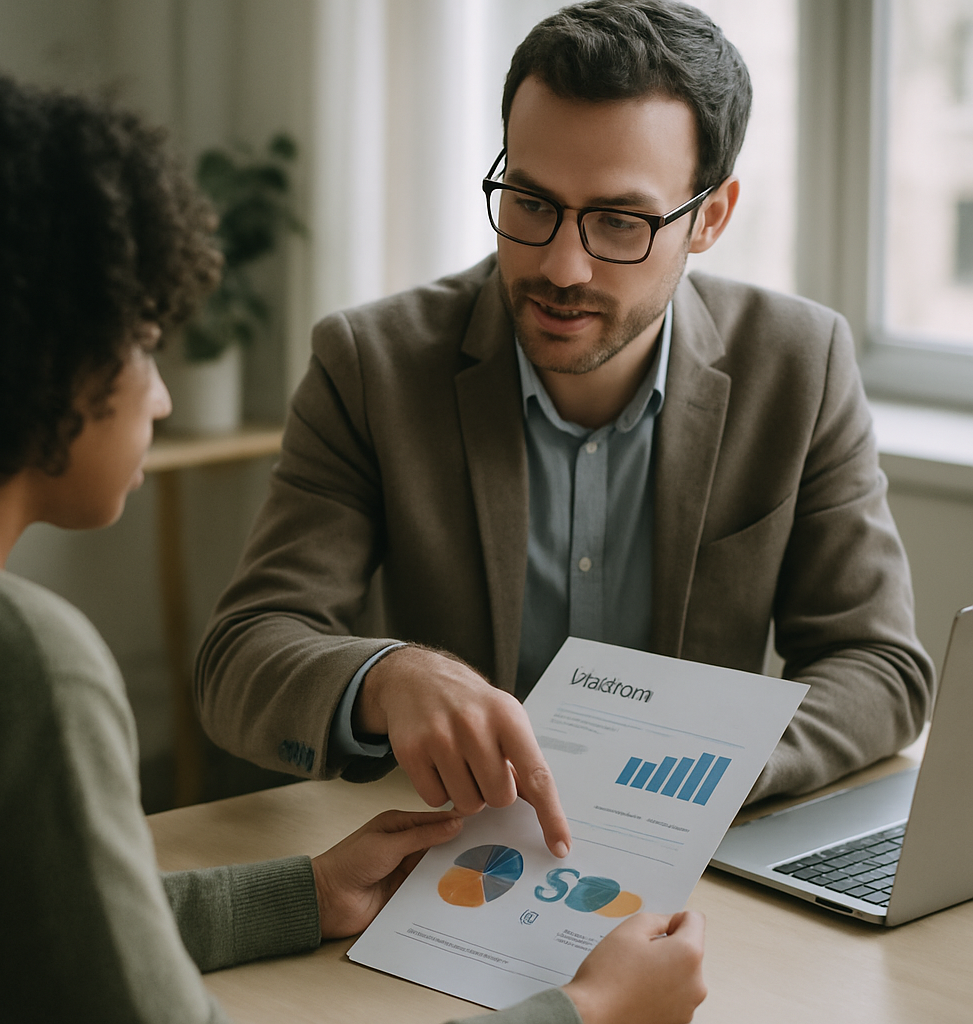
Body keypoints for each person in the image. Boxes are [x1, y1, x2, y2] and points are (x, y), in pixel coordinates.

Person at [0, 61, 707, 1024]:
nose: (161, 394)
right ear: (35, 353)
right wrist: (587, 1013)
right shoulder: (20, 662)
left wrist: (300, 895)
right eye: (141, 340)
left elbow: (17, 922)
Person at [196, 0, 935, 855]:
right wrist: (387, 676)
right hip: (454, 857)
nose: (561, 265)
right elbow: (240, 659)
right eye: (532, 201)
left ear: (711, 219)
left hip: (690, 871)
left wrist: (706, 769)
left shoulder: (799, 366)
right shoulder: (373, 365)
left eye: (620, 221)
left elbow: (879, 668)